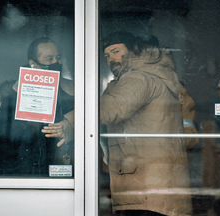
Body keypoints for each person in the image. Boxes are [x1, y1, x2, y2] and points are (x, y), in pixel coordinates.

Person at [42, 31, 192, 216]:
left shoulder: (139, 78)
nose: (111, 59)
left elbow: (111, 107)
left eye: (116, 51)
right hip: (156, 185)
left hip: (146, 190)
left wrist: (70, 122)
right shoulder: (151, 75)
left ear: (134, 51)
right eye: (107, 55)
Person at [0, 37, 74, 176]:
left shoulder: (69, 95)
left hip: (60, 174)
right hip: (22, 175)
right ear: (33, 64)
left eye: (58, 58)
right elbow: (1, 143)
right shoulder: (13, 98)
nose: (56, 63)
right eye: (49, 59)